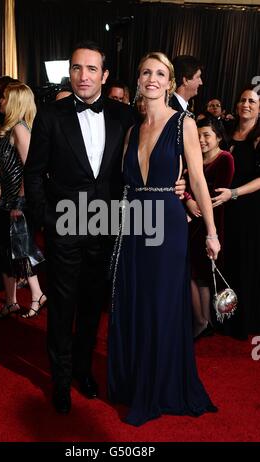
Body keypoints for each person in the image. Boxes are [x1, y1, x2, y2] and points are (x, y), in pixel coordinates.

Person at [24, 41, 186, 415]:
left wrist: (177, 181)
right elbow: (34, 175)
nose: (84, 76)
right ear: (70, 71)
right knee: (63, 307)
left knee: (93, 306)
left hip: (109, 227)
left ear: (105, 75)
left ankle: (83, 370)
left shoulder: (125, 115)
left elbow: (152, 154)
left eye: (92, 69)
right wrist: (44, 220)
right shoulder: (50, 115)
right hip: (64, 224)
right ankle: (60, 381)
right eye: (77, 68)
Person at [108, 52, 220, 426]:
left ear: (169, 82)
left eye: (160, 73)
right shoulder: (132, 128)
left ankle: (159, 385)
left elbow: (199, 180)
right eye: (146, 72)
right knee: (136, 301)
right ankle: (136, 377)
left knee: (160, 303)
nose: (152, 79)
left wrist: (211, 231)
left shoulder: (183, 124)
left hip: (166, 225)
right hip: (134, 224)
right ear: (138, 79)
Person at [0, 82, 46, 319]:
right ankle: (11, 301)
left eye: (4, 97)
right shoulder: (10, 128)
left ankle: (36, 295)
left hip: (18, 203)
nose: (0, 101)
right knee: (9, 251)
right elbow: (9, 167)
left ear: (15, 101)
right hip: (8, 200)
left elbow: (30, 169)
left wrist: (18, 203)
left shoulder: (20, 129)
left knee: (20, 250)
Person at [212, 87, 260, 340]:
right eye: (242, 100)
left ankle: (243, 321)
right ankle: (223, 317)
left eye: (252, 101)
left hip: (249, 210)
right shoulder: (228, 133)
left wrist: (234, 193)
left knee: (244, 263)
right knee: (225, 262)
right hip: (224, 207)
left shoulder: (258, 137)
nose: (246, 104)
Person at [185, 117, 234, 338]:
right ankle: (202, 319)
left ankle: (204, 321)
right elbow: (183, 186)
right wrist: (188, 200)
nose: (202, 140)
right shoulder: (193, 158)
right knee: (192, 273)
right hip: (190, 221)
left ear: (218, 137)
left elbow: (215, 196)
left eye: (207, 135)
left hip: (210, 223)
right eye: (198, 135)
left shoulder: (225, 159)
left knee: (202, 274)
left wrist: (194, 199)